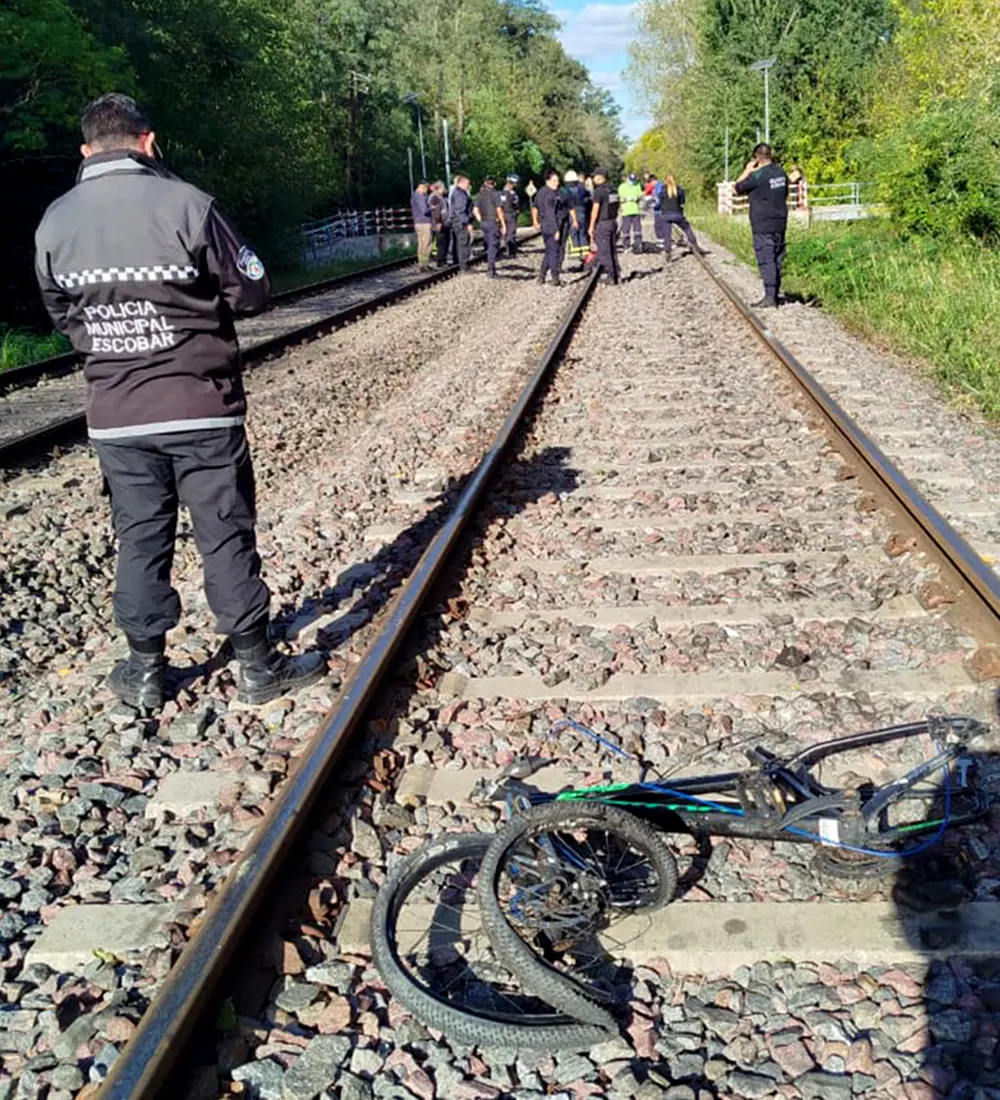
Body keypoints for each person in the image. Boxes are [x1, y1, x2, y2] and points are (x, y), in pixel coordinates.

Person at [33, 93, 326, 711]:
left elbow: (61, 313)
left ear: (86, 151)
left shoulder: (54, 221)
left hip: (116, 415)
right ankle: (256, 668)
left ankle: (144, 672)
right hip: (200, 406)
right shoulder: (188, 205)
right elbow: (252, 292)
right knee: (223, 532)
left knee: (139, 537)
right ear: (148, 141)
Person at [734, 142, 789, 308]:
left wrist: (747, 170)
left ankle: (770, 297)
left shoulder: (757, 176)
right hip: (780, 220)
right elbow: (785, 193)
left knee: (766, 259)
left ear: (757, 158)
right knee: (777, 257)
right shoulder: (781, 172)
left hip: (762, 222)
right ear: (770, 155)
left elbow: (736, 188)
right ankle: (775, 293)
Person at [654, 174, 704, 262]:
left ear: (665, 181)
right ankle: (695, 244)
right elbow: (682, 201)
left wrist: (657, 207)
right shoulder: (680, 190)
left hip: (666, 216)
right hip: (677, 214)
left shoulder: (662, 191)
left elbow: (659, 204)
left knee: (667, 234)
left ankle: (668, 252)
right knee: (687, 228)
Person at [532, 168, 568, 286]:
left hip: (545, 226)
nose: (557, 183)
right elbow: (550, 213)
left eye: (557, 180)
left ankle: (541, 276)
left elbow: (535, 207)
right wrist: (556, 229)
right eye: (554, 181)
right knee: (554, 252)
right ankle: (555, 277)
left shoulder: (540, 192)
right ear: (548, 181)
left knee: (549, 251)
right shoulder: (550, 195)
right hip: (552, 225)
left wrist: (535, 221)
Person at [587, 167, 620, 285]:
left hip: (603, 223)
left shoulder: (599, 191)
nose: (593, 179)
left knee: (604, 251)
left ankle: (611, 276)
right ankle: (616, 274)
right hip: (613, 222)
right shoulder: (613, 190)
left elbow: (595, 209)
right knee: (612, 250)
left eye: (594, 177)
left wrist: (591, 226)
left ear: (600, 177)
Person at [473, 175, 506, 278]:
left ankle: (491, 268)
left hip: (484, 222)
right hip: (492, 222)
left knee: (489, 244)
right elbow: (499, 210)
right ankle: (491, 270)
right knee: (493, 245)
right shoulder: (495, 195)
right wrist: (503, 224)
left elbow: (475, 210)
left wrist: (480, 219)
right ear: (494, 183)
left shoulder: (479, 195)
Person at [448, 175, 475, 272]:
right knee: (463, 243)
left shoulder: (455, 192)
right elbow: (461, 210)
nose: (469, 186)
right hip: (461, 222)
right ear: (461, 183)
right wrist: (467, 223)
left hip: (456, 221)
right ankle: (464, 266)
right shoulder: (460, 194)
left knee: (458, 243)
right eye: (467, 184)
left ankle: (458, 264)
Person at [562, 170, 591, 251]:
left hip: (570, 212)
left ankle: (575, 251)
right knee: (582, 232)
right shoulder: (583, 189)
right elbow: (588, 200)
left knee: (573, 232)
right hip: (582, 212)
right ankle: (585, 252)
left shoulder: (564, 190)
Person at [618, 172, 643, 253]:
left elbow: (640, 195)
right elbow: (620, 198)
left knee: (637, 230)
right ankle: (626, 246)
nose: (632, 182)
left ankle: (638, 245)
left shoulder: (637, 185)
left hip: (635, 210)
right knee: (625, 230)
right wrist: (627, 199)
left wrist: (636, 198)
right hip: (626, 211)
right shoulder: (622, 186)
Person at [410, 180, 433, 270]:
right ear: (422, 187)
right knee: (426, 243)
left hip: (418, 222)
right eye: (426, 188)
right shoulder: (420, 196)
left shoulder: (414, 196)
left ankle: (422, 263)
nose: (426, 191)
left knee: (421, 243)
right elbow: (424, 210)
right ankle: (424, 263)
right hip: (424, 222)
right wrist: (431, 208)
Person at [428, 181, 450, 267]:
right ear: (439, 188)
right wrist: (438, 222)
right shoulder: (435, 197)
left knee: (443, 242)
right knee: (441, 242)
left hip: (441, 222)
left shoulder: (438, 197)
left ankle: (442, 260)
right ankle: (440, 261)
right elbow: (436, 211)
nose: (444, 190)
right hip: (438, 223)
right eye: (443, 188)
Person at [499, 175, 520, 258]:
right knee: (511, 233)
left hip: (502, 214)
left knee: (505, 233)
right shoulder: (513, 194)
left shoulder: (500, 193)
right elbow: (516, 205)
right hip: (511, 214)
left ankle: (509, 249)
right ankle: (511, 252)